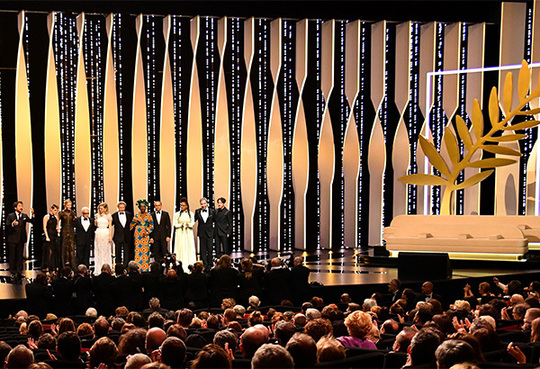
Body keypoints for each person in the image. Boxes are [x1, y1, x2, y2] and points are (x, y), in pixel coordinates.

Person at [6, 200, 35, 279]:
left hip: (21, 239)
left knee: (20, 257)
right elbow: (7, 226)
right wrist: (13, 224)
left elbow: (32, 221)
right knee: (12, 256)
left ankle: (19, 272)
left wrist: (33, 214)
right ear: (15, 208)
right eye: (19, 206)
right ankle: (13, 272)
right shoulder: (10, 216)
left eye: (22, 206)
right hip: (12, 239)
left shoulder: (24, 216)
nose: (21, 207)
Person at [130, 199, 154, 272]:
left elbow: (152, 226)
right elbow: (132, 224)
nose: (142, 208)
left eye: (144, 206)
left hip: (145, 235)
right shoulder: (137, 215)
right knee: (137, 250)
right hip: (138, 234)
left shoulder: (149, 215)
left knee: (145, 251)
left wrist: (147, 232)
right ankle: (137, 268)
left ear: (146, 207)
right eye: (141, 207)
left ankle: (145, 268)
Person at [172, 197, 197, 269]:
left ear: (187, 206)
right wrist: (181, 225)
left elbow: (193, 223)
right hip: (180, 233)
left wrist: (188, 225)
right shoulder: (177, 214)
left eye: (183, 205)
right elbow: (175, 224)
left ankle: (189, 264)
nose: (182, 207)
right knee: (180, 247)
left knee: (188, 247)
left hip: (188, 233)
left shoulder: (191, 214)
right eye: (181, 205)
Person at [194, 197, 215, 271]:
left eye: (204, 203)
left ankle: (210, 264)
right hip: (202, 233)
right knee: (202, 250)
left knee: (210, 249)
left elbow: (216, 221)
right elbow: (193, 220)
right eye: (201, 204)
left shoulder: (212, 211)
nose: (203, 205)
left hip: (210, 232)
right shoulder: (197, 211)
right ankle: (204, 264)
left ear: (207, 203)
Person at [94, 203, 113, 270]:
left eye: (101, 208)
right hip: (99, 232)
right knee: (99, 249)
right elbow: (96, 225)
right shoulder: (97, 215)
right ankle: (98, 267)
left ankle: (106, 265)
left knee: (105, 249)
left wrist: (110, 236)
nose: (100, 210)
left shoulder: (108, 216)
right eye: (99, 208)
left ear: (105, 209)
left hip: (105, 232)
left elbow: (110, 226)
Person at [42, 204, 60, 272]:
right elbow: (44, 227)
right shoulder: (46, 217)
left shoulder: (56, 217)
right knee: (49, 251)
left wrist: (58, 229)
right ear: (51, 209)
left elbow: (57, 226)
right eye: (55, 210)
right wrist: (47, 236)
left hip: (55, 235)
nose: (55, 212)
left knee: (55, 251)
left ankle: (54, 266)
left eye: (56, 210)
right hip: (49, 235)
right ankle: (47, 266)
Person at [59, 199, 76, 268]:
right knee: (64, 248)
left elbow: (75, 221)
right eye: (68, 205)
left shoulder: (72, 213)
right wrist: (58, 228)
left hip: (71, 231)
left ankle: (73, 265)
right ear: (65, 205)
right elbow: (58, 221)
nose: (69, 206)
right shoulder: (61, 213)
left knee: (71, 248)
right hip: (64, 231)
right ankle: (63, 265)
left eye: (70, 205)